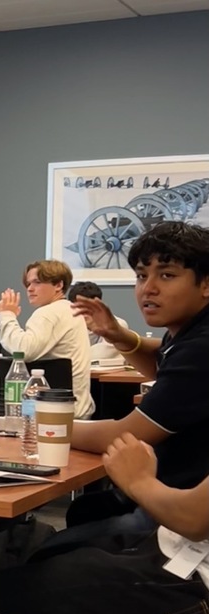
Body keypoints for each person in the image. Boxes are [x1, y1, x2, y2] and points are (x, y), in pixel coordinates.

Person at [0, 432, 209, 614]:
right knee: (44, 556)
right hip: (182, 547)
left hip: (196, 576)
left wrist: (139, 481)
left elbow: (192, 519)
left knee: (3, 593)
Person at [64, 222, 209, 528]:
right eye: (142, 276)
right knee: (84, 514)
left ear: (206, 285)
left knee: (29, 572)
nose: (148, 287)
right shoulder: (188, 331)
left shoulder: (201, 347)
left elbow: (124, 434)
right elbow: (164, 360)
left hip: (180, 511)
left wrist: (38, 425)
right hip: (173, 491)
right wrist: (119, 336)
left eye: (166, 275)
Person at [0, 259, 93, 418]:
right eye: (28, 284)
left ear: (58, 285)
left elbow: (23, 351)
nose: (30, 289)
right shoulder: (69, 309)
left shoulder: (48, 313)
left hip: (57, 413)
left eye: (37, 282)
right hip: (78, 408)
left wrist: (7, 315)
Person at [66, 280, 130, 363]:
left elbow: (102, 354)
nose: (82, 311)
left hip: (107, 374)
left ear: (99, 304)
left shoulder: (117, 324)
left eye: (87, 306)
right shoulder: (67, 324)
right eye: (78, 306)